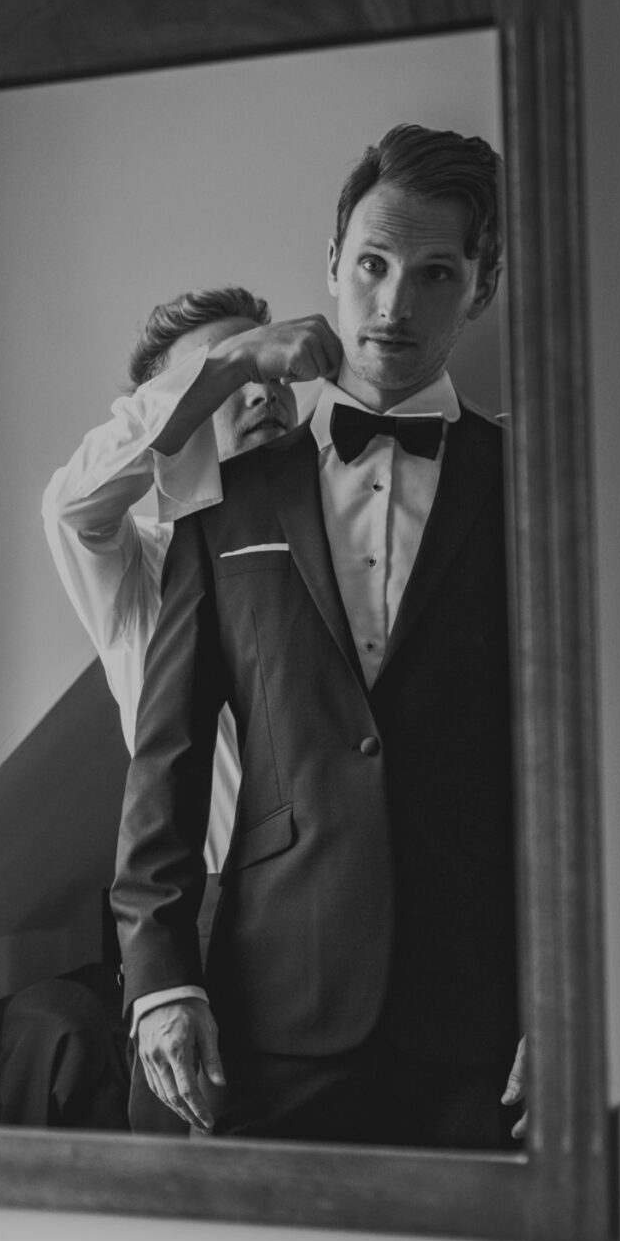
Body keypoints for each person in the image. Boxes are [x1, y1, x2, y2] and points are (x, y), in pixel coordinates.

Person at [112, 125, 524, 1149]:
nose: (394, 305)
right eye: (373, 266)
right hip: (269, 1013)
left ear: (481, 285)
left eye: (435, 273)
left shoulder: (535, 483)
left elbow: (590, 768)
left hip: (484, 1029)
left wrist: (573, 999)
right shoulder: (226, 496)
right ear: (330, 265)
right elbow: (163, 760)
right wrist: (159, 981)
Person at [31, 289, 336, 1131]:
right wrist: (230, 362)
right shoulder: (138, 569)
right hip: (187, 926)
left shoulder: (344, 547)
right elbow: (67, 506)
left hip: (339, 913)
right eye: (227, 378)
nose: (259, 391)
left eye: (269, 367)